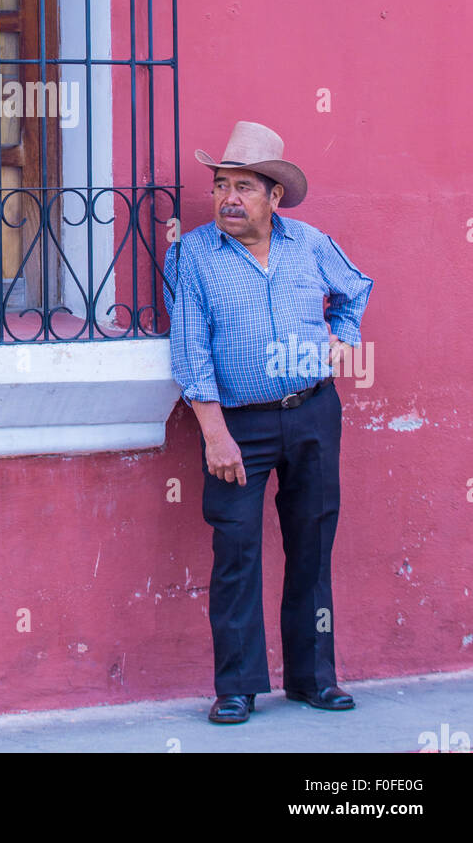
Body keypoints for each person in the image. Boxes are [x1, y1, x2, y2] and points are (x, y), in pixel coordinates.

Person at [162, 121, 373, 724]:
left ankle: (313, 678)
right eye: (221, 185)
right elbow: (190, 348)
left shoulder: (309, 243)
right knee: (236, 551)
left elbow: (356, 290)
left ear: (274, 195)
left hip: (312, 413)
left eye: (244, 187)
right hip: (239, 426)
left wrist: (345, 339)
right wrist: (214, 433)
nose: (229, 198)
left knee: (313, 545)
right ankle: (237, 686)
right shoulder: (193, 255)